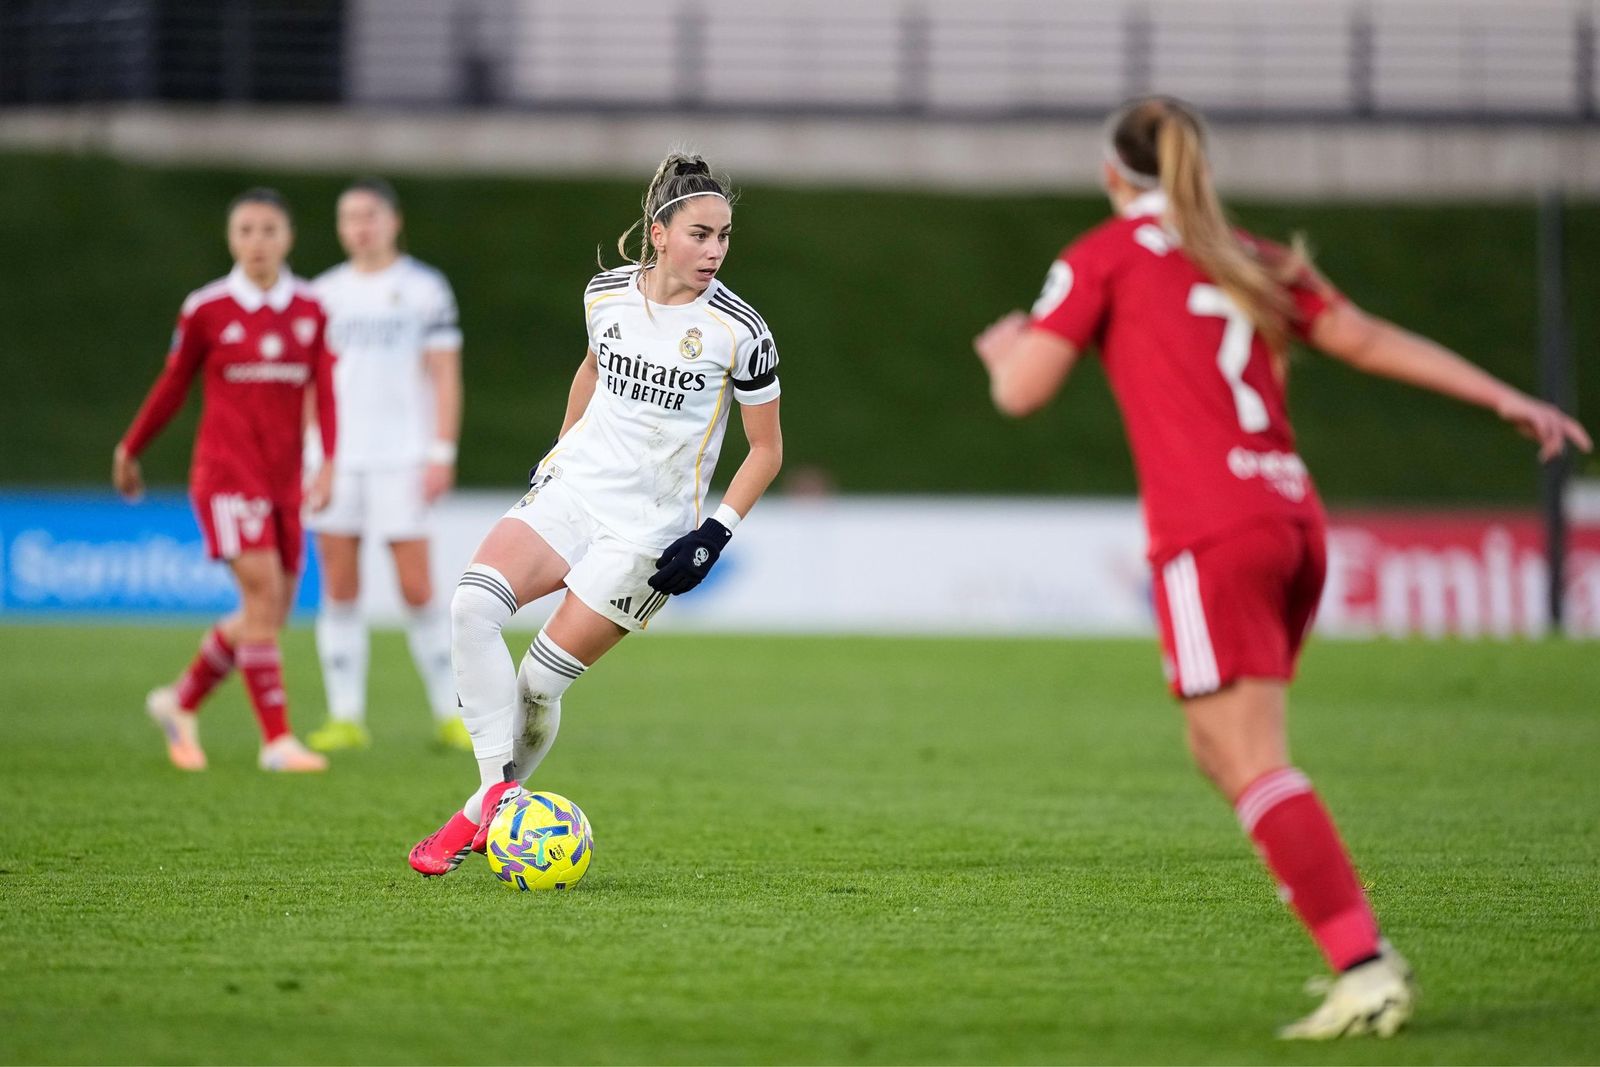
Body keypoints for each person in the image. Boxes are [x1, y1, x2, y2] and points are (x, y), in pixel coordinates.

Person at [973, 96, 1591, 1040]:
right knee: (1221, 750)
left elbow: (1022, 393)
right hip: (1291, 518)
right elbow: (1368, 338)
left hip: (1210, 527)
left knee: (1249, 755)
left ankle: (1364, 962)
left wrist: (1005, 346)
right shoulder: (1251, 256)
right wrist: (1502, 395)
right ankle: (1350, 942)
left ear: (1112, 176)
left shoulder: (1100, 255)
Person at [408, 150, 784, 875]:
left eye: (725, 236)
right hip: (574, 490)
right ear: (659, 231)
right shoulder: (606, 292)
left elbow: (765, 449)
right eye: (701, 234)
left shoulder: (742, 330)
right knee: (469, 607)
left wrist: (714, 533)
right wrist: (558, 450)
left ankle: (476, 812)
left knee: (538, 686)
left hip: (649, 528)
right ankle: (493, 802)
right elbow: (591, 367)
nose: (715, 251)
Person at [115, 187, 340, 773]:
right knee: (262, 597)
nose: (257, 241)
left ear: (287, 238)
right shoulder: (206, 308)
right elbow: (172, 386)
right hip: (226, 475)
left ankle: (179, 701)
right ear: (231, 238)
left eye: (269, 230)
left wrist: (330, 461)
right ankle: (278, 741)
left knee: (270, 614)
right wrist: (131, 447)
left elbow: (328, 391)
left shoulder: (312, 309)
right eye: (245, 230)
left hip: (286, 479)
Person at [304, 178, 469, 753]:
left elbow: (445, 373)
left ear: (393, 220)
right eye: (349, 217)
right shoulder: (321, 294)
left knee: (417, 587)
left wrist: (441, 451)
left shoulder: (424, 289)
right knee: (340, 586)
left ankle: (452, 713)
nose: (360, 226)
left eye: (370, 215)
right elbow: (309, 386)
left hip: (403, 456)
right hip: (337, 460)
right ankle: (345, 716)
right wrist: (311, 456)